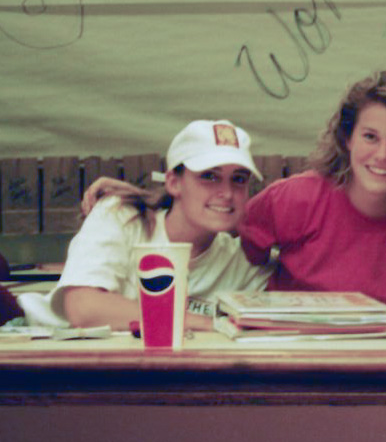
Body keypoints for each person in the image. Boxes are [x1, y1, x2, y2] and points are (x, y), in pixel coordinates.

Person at [237, 70, 386, 304]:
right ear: (347, 138)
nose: (382, 155)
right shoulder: (297, 198)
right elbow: (241, 254)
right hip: (285, 327)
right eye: (370, 137)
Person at [24, 120, 271, 330]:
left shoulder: (246, 260)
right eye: (209, 176)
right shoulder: (121, 215)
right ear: (173, 183)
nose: (227, 193)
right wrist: (205, 323)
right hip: (36, 349)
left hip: (150, 366)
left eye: (239, 179)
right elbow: (83, 308)